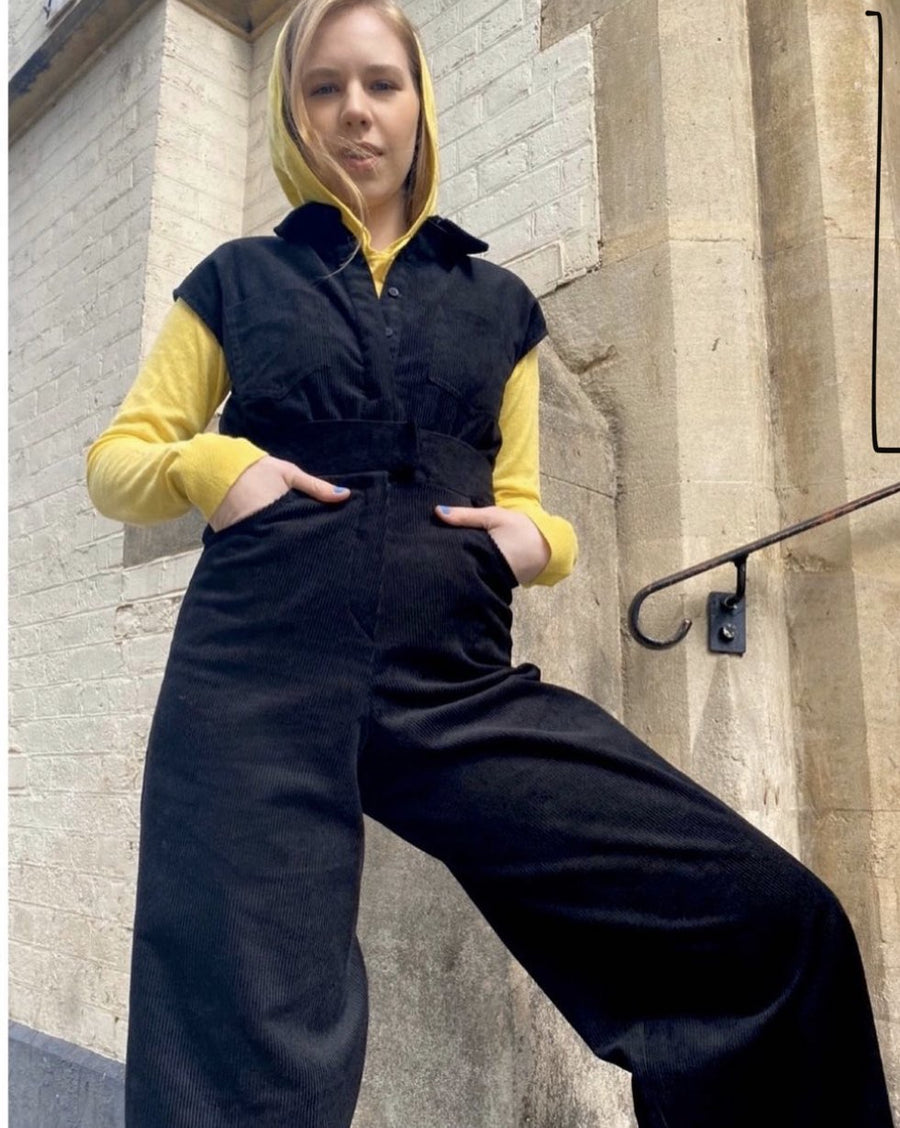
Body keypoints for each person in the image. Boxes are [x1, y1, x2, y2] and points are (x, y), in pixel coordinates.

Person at [85, 1, 895, 1125]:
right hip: (254, 678)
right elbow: (119, 462)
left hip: (453, 683)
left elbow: (528, 504)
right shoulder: (235, 279)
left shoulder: (497, 303)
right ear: (291, 113)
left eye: (381, 84)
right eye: (323, 87)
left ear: (420, 103)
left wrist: (541, 541)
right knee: (235, 1053)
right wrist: (212, 465)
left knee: (764, 923)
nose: (355, 112)